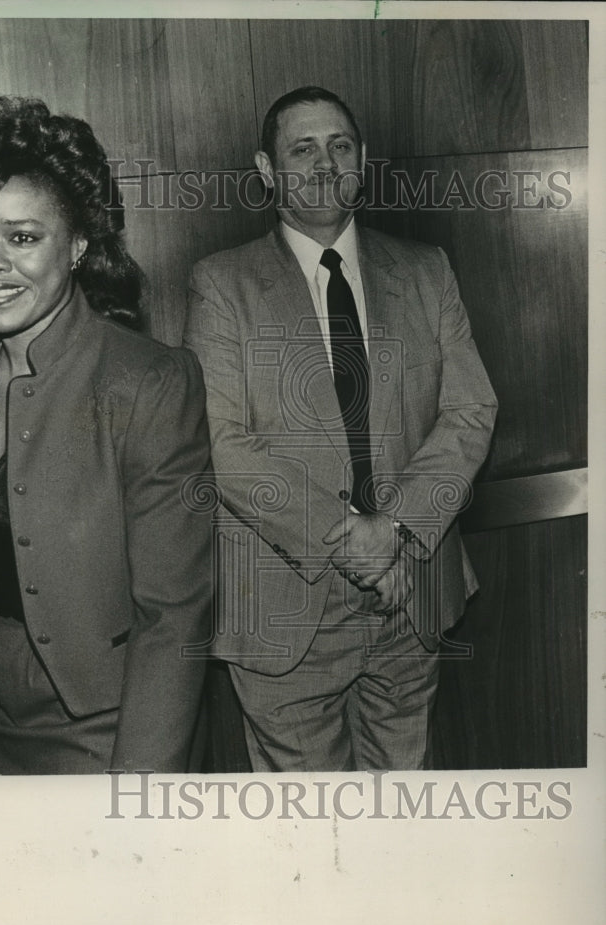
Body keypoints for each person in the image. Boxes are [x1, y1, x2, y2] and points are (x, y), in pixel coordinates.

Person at [184, 86, 497, 772]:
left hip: (411, 591)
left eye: (341, 146)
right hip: (285, 608)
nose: (325, 163)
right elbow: (220, 439)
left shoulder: (426, 270)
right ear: (267, 170)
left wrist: (395, 531)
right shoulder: (222, 284)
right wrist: (352, 542)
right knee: (307, 834)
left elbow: (471, 410)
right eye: (303, 148)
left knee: (401, 809)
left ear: (362, 161)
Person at [0, 96, 212, 775]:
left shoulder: (151, 383)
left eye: (22, 237)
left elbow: (175, 621)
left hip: (110, 738)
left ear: (76, 247)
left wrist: (139, 797)